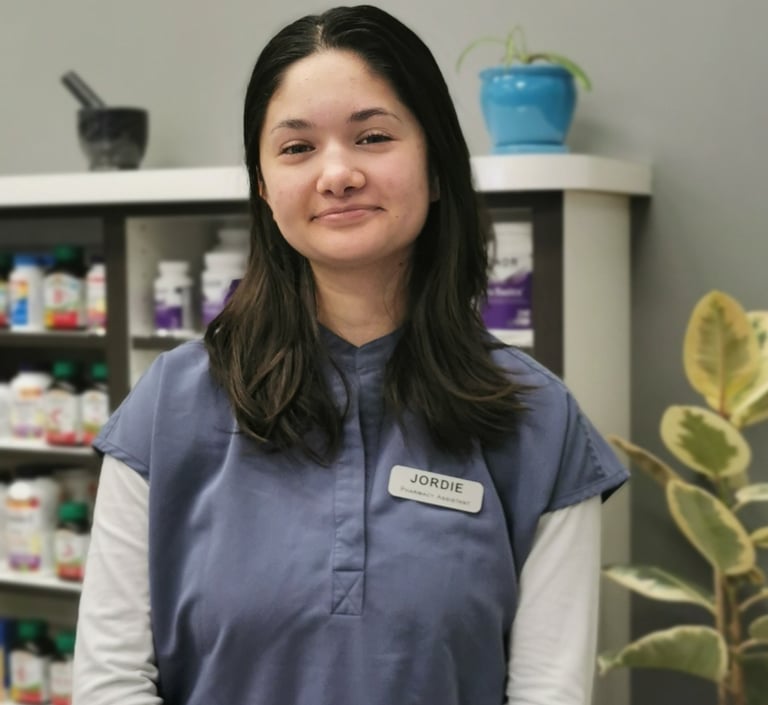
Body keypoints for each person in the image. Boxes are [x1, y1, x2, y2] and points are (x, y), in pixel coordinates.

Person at [72, 5, 628, 705]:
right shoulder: (169, 407)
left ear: (434, 161)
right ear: (265, 186)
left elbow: (548, 690)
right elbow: (112, 681)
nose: (337, 173)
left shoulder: (536, 418)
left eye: (371, 136)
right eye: (297, 148)